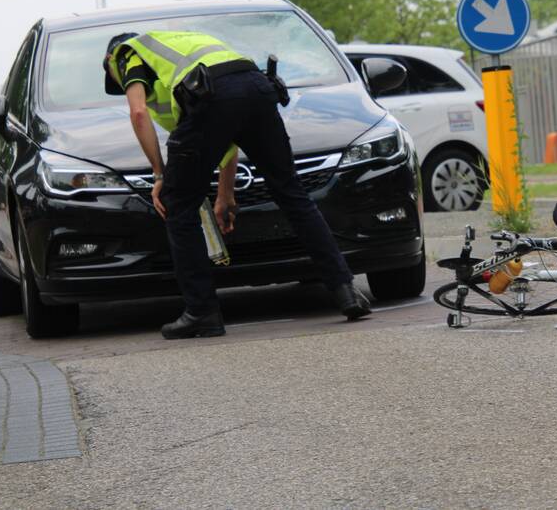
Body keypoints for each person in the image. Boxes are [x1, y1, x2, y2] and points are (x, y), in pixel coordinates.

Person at [102, 31, 371, 339]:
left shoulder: (127, 52)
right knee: (291, 192)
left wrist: (160, 175)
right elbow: (223, 131)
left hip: (216, 97)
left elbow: (138, 113)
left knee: (178, 204)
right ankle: (345, 291)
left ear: (110, 61)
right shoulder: (186, 44)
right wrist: (225, 193)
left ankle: (201, 312)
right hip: (255, 86)